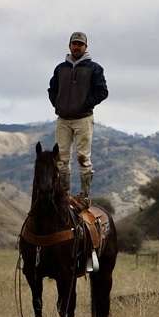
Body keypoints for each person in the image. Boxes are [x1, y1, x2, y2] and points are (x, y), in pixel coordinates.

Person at [48, 32, 108, 197]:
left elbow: (102, 92)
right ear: (69, 46)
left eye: (80, 44)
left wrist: (84, 104)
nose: (77, 47)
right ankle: (64, 195)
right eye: (74, 43)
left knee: (83, 158)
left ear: (85, 47)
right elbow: (52, 89)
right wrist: (57, 104)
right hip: (63, 120)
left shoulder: (94, 68)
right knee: (61, 159)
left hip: (83, 119)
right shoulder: (61, 68)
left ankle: (84, 195)